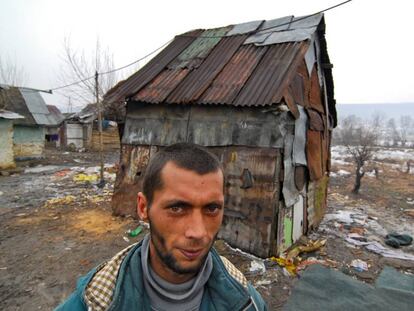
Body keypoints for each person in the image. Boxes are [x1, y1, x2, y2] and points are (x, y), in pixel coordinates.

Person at [56, 143, 267, 311]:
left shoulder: (245, 301)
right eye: (177, 208)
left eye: (211, 208)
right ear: (143, 208)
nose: (198, 232)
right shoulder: (97, 301)